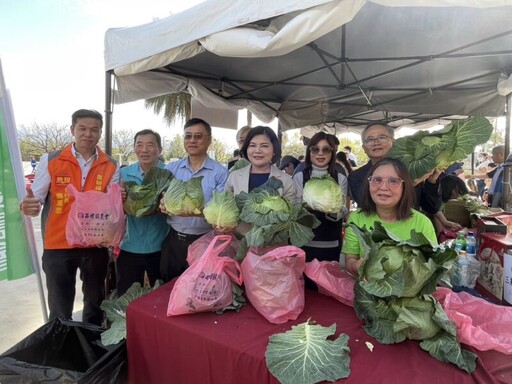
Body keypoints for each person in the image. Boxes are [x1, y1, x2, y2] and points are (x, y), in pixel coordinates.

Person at [19, 109, 119, 325]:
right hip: (57, 244)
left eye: (94, 130)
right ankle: (60, 349)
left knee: (94, 303)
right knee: (60, 306)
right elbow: (35, 199)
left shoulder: (111, 165)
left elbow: (113, 204)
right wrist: (29, 205)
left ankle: (90, 346)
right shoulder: (51, 160)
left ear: (100, 133)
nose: (88, 134)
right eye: (82, 128)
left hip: (95, 245)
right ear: (72, 130)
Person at [160, 118, 228, 282]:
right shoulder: (171, 169)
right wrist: (162, 204)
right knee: (168, 287)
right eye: (188, 136)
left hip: (205, 241)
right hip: (173, 242)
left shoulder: (220, 172)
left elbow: (220, 209)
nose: (192, 141)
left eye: (198, 136)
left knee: (199, 289)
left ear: (209, 141)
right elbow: (161, 198)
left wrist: (193, 213)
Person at [343, 158, 437, 275]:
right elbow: (350, 260)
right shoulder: (356, 218)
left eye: (393, 181)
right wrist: (355, 266)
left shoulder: (422, 222)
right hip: (366, 289)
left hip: (409, 292)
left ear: (405, 186)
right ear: (368, 184)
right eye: (377, 180)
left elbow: (431, 266)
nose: (383, 187)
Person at [116, 129, 170, 296]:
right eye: (139, 145)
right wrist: (117, 198)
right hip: (129, 246)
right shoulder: (123, 174)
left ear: (159, 149)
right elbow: (111, 209)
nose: (144, 150)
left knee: (160, 297)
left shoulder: (168, 174)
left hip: (161, 247)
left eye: (150, 145)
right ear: (134, 149)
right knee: (126, 297)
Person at [348, 122, 440, 216]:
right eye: (370, 139)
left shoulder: (411, 169)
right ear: (364, 148)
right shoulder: (356, 176)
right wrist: (410, 183)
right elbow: (368, 206)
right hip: (374, 229)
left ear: (394, 142)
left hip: (410, 228)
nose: (376, 142)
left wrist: (431, 181)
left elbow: (431, 208)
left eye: (382, 137)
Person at [293, 132, 348, 264]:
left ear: (332, 152)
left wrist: (334, 213)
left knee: (327, 282)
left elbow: (344, 208)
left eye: (326, 149)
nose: (320, 153)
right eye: (315, 149)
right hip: (304, 241)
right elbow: (295, 207)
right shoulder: (300, 176)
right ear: (309, 151)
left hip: (330, 241)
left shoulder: (340, 177)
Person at [226, 126, 296, 202]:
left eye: (264, 146)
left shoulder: (286, 181)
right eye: (252, 145)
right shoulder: (233, 177)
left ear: (274, 150)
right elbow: (225, 206)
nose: (257, 150)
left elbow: (291, 211)